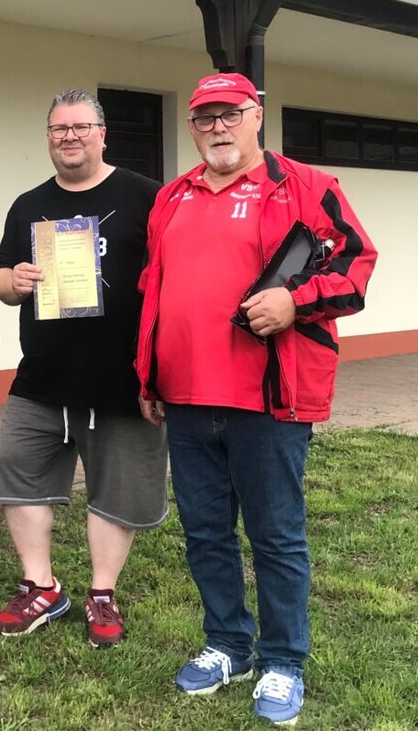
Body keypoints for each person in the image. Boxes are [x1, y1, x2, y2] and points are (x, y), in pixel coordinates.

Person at [136, 73, 376, 725]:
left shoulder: (305, 187)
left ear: (256, 115)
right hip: (186, 399)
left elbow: (356, 265)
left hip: (268, 401)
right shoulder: (173, 198)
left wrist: (296, 301)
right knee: (207, 532)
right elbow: (155, 289)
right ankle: (228, 643)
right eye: (204, 117)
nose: (217, 127)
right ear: (191, 127)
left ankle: (283, 659)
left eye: (230, 114)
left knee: (275, 535)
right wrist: (148, 375)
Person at [0, 89, 168, 646]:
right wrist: (11, 282)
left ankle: (102, 594)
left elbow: (172, 277)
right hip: (43, 375)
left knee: (118, 490)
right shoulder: (28, 205)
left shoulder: (146, 197)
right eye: (58, 129)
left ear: (102, 133)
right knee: (17, 472)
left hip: (123, 378)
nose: (69, 137)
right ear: (49, 138)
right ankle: (40, 586)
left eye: (80, 127)